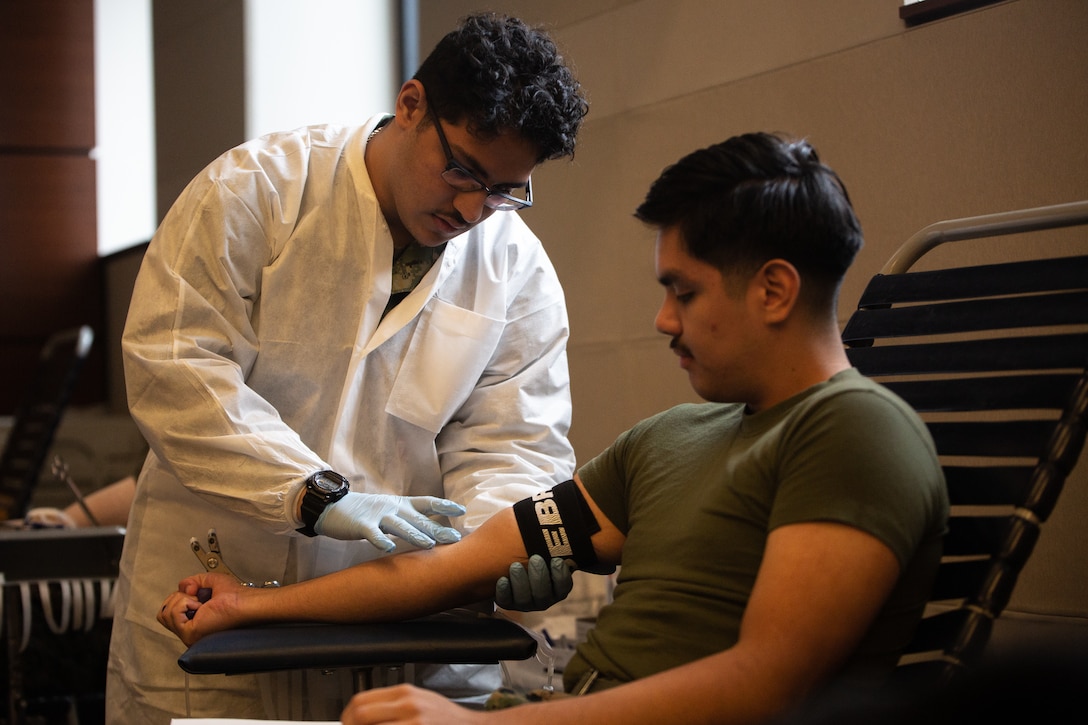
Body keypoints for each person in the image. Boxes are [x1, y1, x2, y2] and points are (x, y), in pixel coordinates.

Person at [159, 132, 950, 724]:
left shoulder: (855, 431)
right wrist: (250, 604)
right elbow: (465, 562)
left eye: (684, 291)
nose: (662, 319)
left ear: (774, 290)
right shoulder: (673, 437)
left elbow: (765, 686)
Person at [108, 12, 588, 724]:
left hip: (413, 633)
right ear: (410, 104)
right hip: (214, 593)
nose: (470, 207)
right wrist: (313, 494)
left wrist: (503, 543)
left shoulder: (516, 271)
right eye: (461, 168)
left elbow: (513, 443)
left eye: (501, 190)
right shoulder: (255, 192)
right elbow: (177, 370)